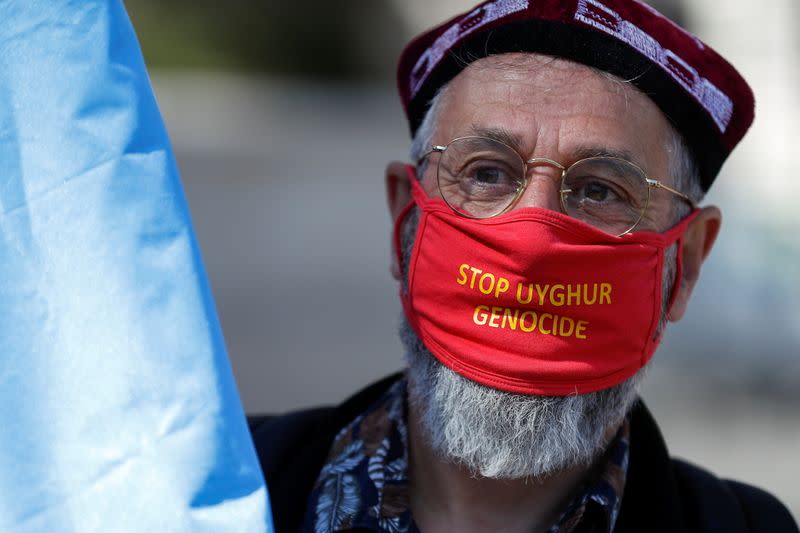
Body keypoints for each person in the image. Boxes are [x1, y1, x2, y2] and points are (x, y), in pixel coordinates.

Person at [249, 1, 799, 532]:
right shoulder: (213, 489)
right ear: (404, 219)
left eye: (599, 190)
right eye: (487, 174)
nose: (533, 242)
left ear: (688, 263)